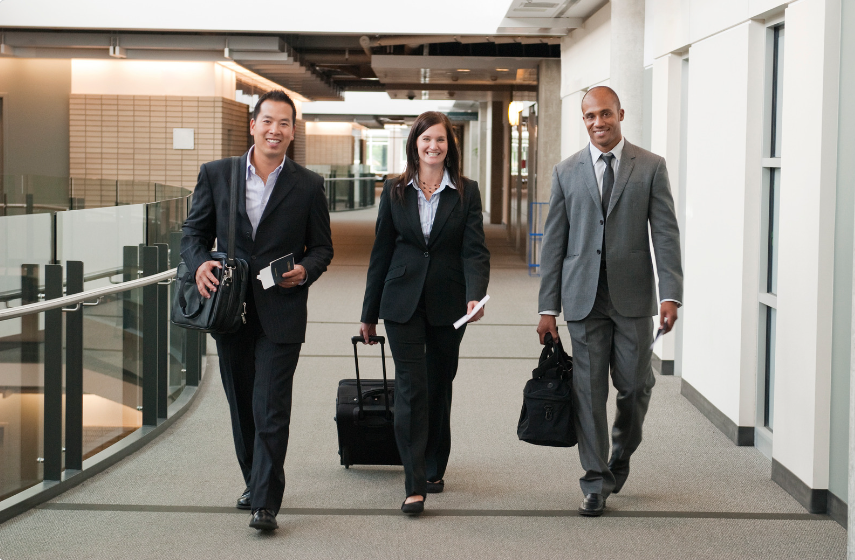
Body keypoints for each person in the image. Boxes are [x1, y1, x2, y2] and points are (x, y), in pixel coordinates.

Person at [181, 90, 333, 531]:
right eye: (268, 121)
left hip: (282, 312)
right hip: (230, 309)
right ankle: (254, 480)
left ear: (292, 131)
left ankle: (266, 501)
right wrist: (199, 265)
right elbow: (192, 234)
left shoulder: (308, 185)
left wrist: (304, 270)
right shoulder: (217, 174)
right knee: (243, 406)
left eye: (284, 123)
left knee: (270, 407)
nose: (275, 130)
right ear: (253, 124)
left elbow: (322, 246)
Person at [537, 86, 683, 517]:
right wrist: (548, 307)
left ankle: (619, 458)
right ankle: (595, 481)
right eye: (589, 117)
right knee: (587, 391)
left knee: (636, 387)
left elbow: (666, 234)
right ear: (582, 120)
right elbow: (554, 243)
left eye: (605, 114)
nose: (598, 123)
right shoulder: (566, 171)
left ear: (620, 113)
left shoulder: (650, 166)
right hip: (582, 298)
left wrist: (670, 294)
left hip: (634, 298)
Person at [359, 111, 490, 515]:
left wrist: (476, 294)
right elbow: (380, 252)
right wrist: (369, 313)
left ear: (450, 146)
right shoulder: (395, 190)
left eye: (441, 140)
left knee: (438, 385)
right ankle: (414, 482)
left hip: (450, 304)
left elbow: (475, 250)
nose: (433, 146)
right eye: (426, 139)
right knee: (412, 387)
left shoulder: (466, 191)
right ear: (414, 143)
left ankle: (435, 463)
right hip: (401, 302)